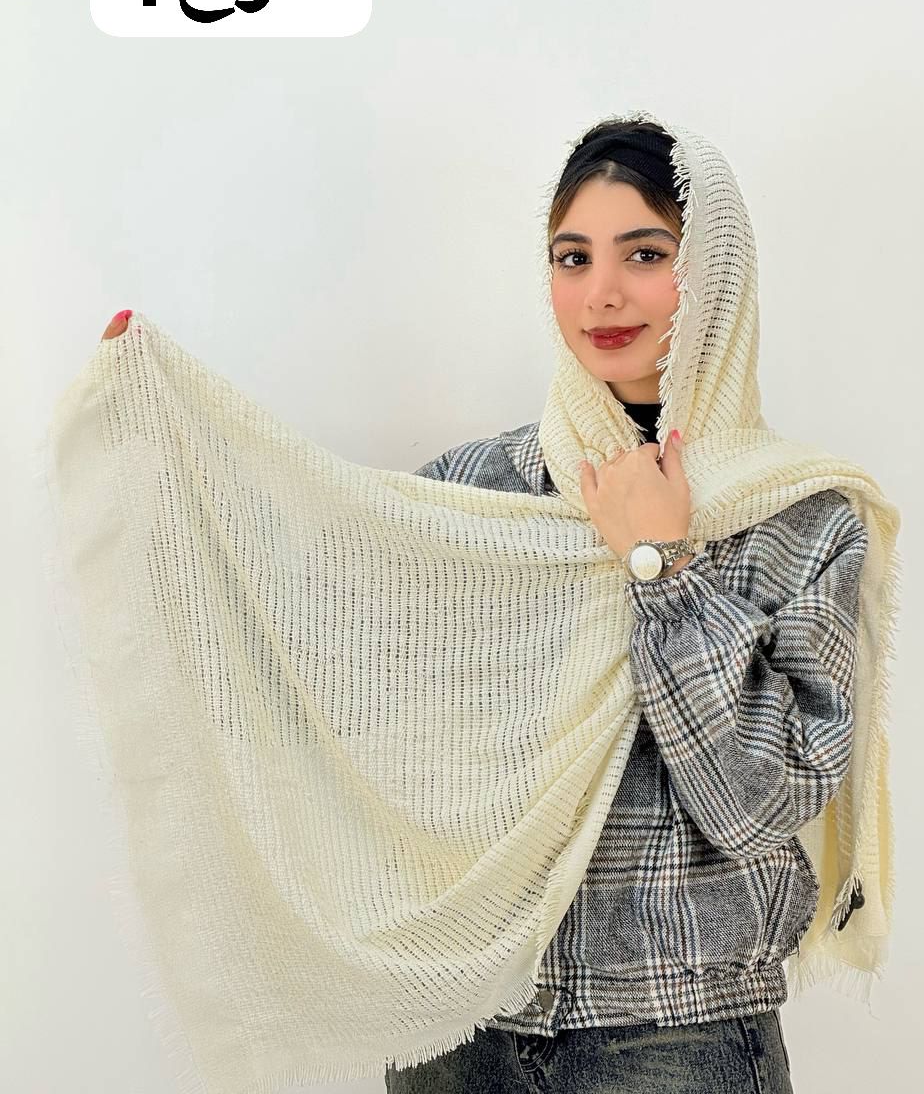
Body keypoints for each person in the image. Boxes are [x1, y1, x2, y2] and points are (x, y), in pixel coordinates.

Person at [98, 119, 866, 1093]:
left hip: (674, 1035)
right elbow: (316, 661)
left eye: (645, 254)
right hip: (456, 1025)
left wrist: (661, 564)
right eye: (572, 257)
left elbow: (758, 802)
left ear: (716, 273)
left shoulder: (801, 517)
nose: (603, 292)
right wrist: (172, 442)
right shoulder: (476, 492)